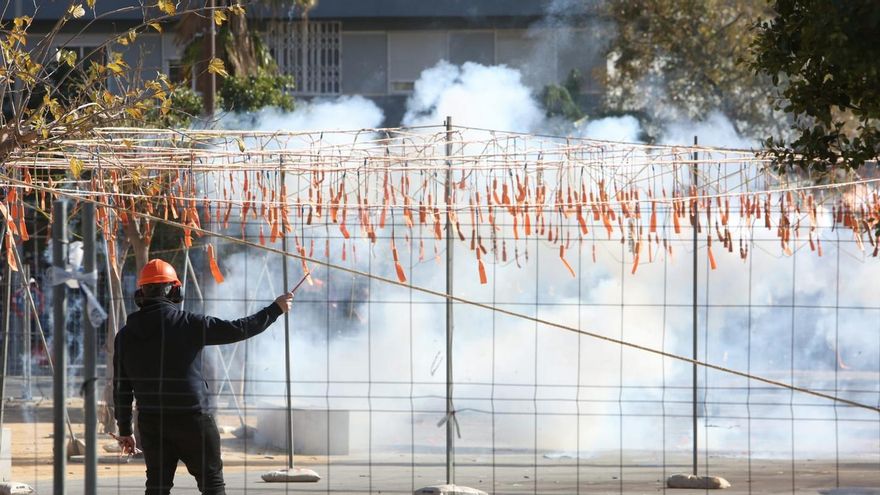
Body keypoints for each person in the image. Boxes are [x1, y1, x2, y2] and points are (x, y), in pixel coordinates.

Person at [113, 258, 293, 495]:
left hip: (152, 423)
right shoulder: (189, 324)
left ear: (141, 294)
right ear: (175, 291)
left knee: (156, 487)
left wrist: (125, 429)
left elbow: (121, 388)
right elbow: (238, 329)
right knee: (212, 485)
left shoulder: (125, 336)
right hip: (193, 421)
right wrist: (275, 309)